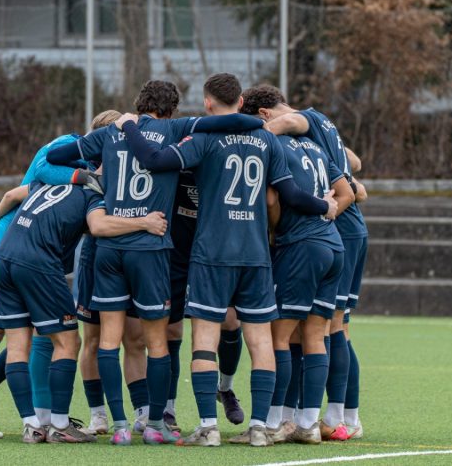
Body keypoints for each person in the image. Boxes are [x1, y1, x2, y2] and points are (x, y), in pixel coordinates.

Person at [118, 73, 338, 447]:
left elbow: (155, 161)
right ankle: (258, 427)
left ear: (207, 104)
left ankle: (208, 426)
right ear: (240, 101)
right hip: (255, 254)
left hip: (212, 252)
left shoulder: (202, 139)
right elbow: (284, 193)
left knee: (204, 337)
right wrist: (324, 206)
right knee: (261, 341)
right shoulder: (267, 139)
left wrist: (128, 128)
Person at [46, 80, 263, 445]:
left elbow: (56, 157)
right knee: (158, 342)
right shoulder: (175, 128)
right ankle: (156, 425)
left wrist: (93, 166)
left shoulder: (109, 135)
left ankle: (118, 427)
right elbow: (237, 124)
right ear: (172, 108)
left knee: (108, 342)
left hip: (110, 250)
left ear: (138, 103)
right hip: (151, 249)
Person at [0, 112, 116, 440]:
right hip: (22, 242)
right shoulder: (69, 147)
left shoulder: (86, 167)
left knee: (38, 335)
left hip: (21, 242)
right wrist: (87, 179)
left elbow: (17, 192)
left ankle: (39, 419)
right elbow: (43, 169)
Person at [0, 179, 168, 444]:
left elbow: (10, 194)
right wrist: (145, 222)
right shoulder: (93, 195)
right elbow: (98, 226)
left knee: (17, 345)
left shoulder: (50, 181)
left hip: (4, 256)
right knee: (69, 341)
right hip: (38, 261)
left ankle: (31, 424)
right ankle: (60, 425)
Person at [240, 85, 355, 444]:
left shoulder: (272, 142)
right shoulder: (317, 144)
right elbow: (350, 190)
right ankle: (307, 425)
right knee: (315, 335)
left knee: (280, 335)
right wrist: (330, 209)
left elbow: (274, 196)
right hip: (333, 245)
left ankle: (274, 422)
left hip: (300, 246)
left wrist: (275, 230)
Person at [265, 103, 369, 441]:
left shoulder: (299, 122)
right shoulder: (320, 134)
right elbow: (355, 169)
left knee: (317, 329)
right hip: (336, 238)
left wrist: (324, 208)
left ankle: (326, 418)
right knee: (318, 330)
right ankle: (313, 419)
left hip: (319, 236)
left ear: (266, 113)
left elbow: (273, 199)